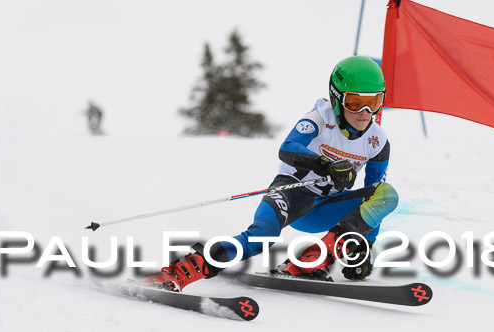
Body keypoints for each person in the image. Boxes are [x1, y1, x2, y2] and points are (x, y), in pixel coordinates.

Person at [145, 55, 398, 292]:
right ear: (336, 98)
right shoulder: (318, 119)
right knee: (260, 238)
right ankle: (181, 272)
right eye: (355, 102)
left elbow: (376, 200)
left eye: (373, 102)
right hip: (293, 192)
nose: (365, 112)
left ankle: (314, 257)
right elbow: (287, 149)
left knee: (386, 195)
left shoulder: (378, 140)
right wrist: (326, 164)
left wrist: (364, 246)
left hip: (327, 209)